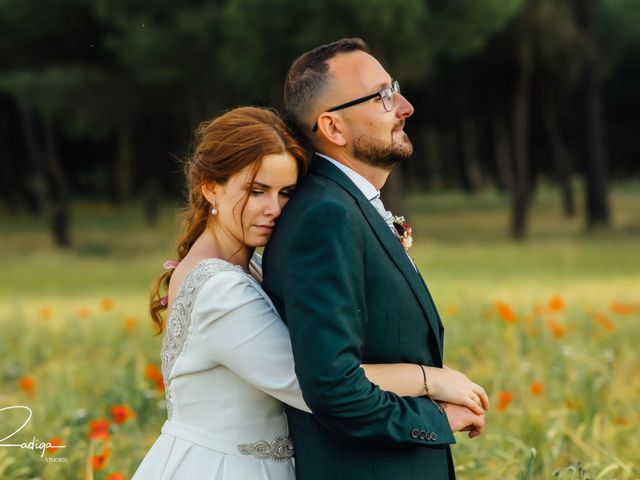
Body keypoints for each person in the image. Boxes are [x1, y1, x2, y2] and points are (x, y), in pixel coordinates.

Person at [132, 106, 486, 480]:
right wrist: (432, 380)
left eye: (285, 193)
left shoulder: (246, 268)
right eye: (256, 191)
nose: (274, 209)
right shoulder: (220, 289)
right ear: (210, 187)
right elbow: (316, 383)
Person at [262, 38, 489, 480]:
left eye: (396, 89)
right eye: (384, 95)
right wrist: (436, 420)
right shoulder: (326, 216)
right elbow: (333, 386)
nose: (405, 106)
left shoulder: (348, 205)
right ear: (333, 128)